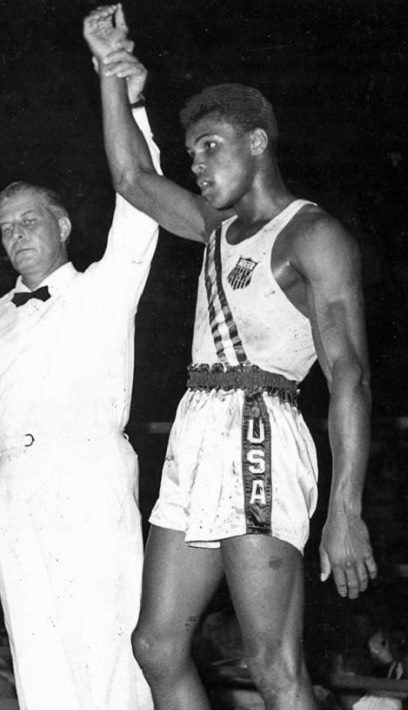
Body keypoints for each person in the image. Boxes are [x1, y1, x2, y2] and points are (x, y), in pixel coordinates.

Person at [84, 5, 378, 710]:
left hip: (261, 430)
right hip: (197, 430)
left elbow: (350, 376)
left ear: (257, 141)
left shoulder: (312, 235)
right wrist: (109, 75)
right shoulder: (216, 229)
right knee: (156, 646)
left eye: (211, 146)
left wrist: (346, 507)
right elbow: (131, 179)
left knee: (273, 666)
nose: (198, 164)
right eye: (192, 154)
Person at [0, 67, 161, 710]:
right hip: (17, 488)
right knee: (35, 649)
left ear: (64, 225)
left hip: (90, 474)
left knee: (107, 642)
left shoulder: (106, 286)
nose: (18, 236)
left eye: (29, 221)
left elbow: (141, 201)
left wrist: (132, 102)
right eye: (7, 227)